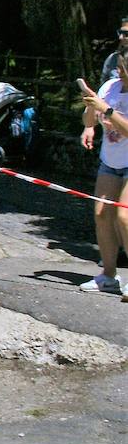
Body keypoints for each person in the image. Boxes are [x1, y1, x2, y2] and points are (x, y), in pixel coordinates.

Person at [78, 52, 128, 298]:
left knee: (125, 216)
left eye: (125, 67)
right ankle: (109, 275)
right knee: (101, 213)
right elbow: (91, 119)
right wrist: (91, 108)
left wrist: (106, 110)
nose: (121, 72)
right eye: (119, 66)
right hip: (110, 160)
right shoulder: (110, 86)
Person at [100, 16, 128, 87]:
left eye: (126, 34)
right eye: (120, 32)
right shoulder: (112, 58)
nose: (120, 37)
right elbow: (104, 87)